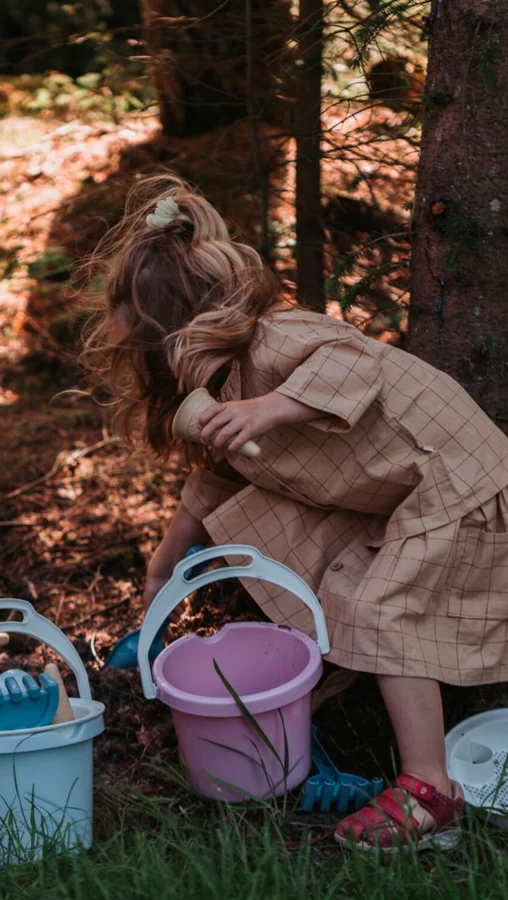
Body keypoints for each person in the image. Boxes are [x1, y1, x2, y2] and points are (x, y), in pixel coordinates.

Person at [82, 175, 508, 852]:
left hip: (454, 475)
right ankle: (320, 693)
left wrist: (268, 407)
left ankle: (431, 791)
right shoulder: (213, 388)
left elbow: (354, 361)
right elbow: (216, 484)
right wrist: (166, 563)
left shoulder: (274, 339)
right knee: (286, 540)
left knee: (382, 605)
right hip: (397, 490)